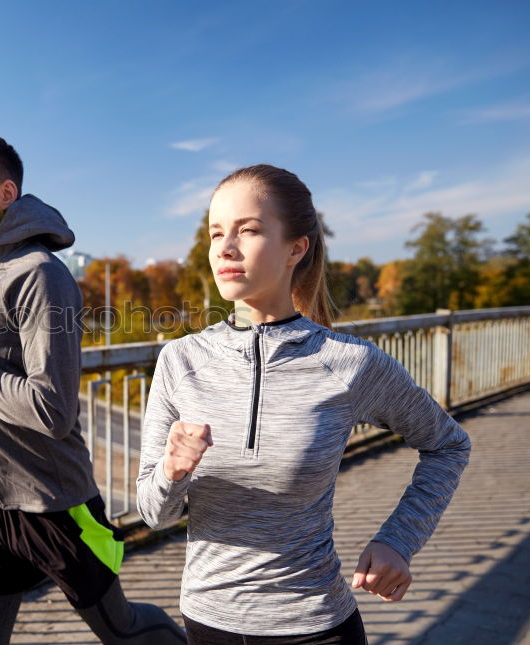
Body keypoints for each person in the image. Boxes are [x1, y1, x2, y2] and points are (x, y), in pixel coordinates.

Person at [136, 164, 471, 644]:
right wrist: (172, 471)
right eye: (216, 234)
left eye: (248, 230)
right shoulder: (179, 361)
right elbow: (153, 515)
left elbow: (448, 446)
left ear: (297, 248)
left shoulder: (349, 363)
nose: (225, 249)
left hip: (314, 625)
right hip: (207, 624)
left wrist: (399, 541)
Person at [0, 133, 186, 645]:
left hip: (55, 506)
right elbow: (0, 373)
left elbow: (52, 409)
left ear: (5, 193)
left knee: (124, 631)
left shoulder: (42, 276)